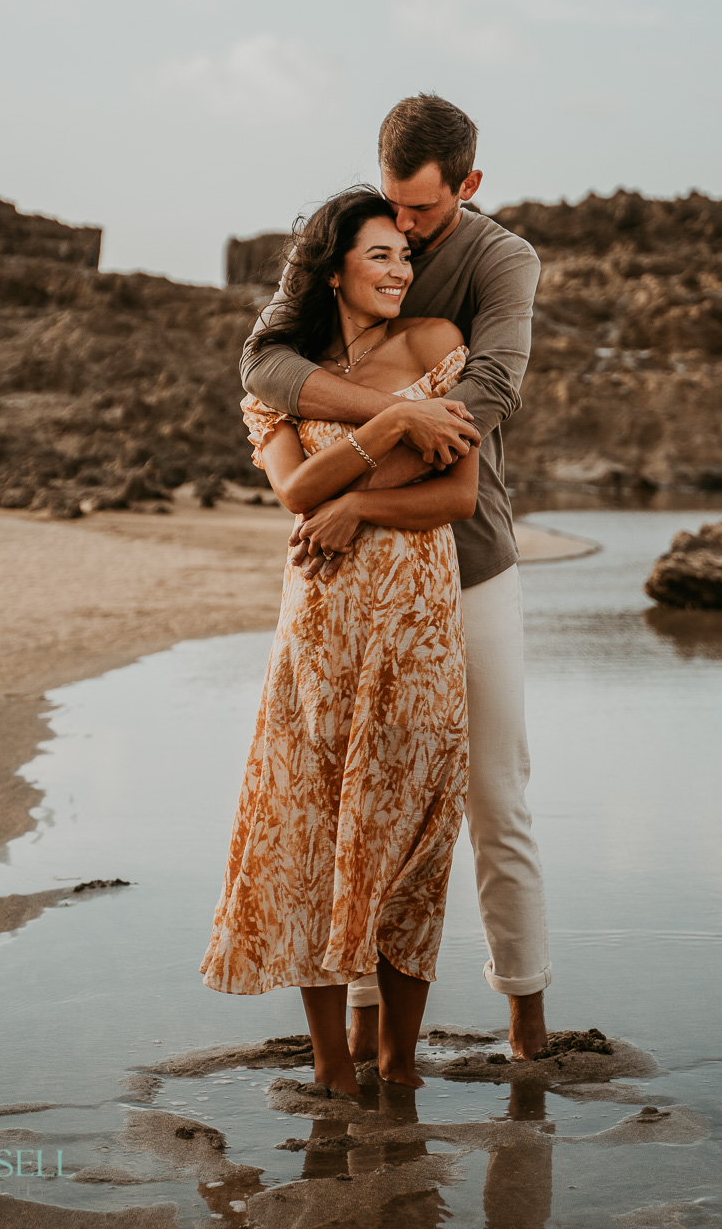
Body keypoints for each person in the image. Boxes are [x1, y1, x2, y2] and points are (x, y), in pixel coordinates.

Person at [240, 93, 551, 1061]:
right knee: (350, 804)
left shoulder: (502, 262)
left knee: (494, 795)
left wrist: (366, 483)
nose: (407, 240)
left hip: (471, 567)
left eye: (422, 215)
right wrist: (393, 417)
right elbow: (264, 365)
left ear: (470, 183)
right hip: (348, 583)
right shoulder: (348, 239)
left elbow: (483, 402)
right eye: (392, 214)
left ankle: (529, 1027)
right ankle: (368, 1041)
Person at [202, 187, 480, 1095]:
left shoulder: (440, 348)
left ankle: (399, 1066)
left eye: (406, 255)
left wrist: (356, 499)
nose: (402, 269)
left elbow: (455, 497)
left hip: (419, 630)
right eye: (381, 256)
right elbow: (293, 494)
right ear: (335, 271)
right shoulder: (282, 373)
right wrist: (394, 423)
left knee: (415, 840)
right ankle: (332, 1071)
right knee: (313, 833)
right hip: (319, 632)